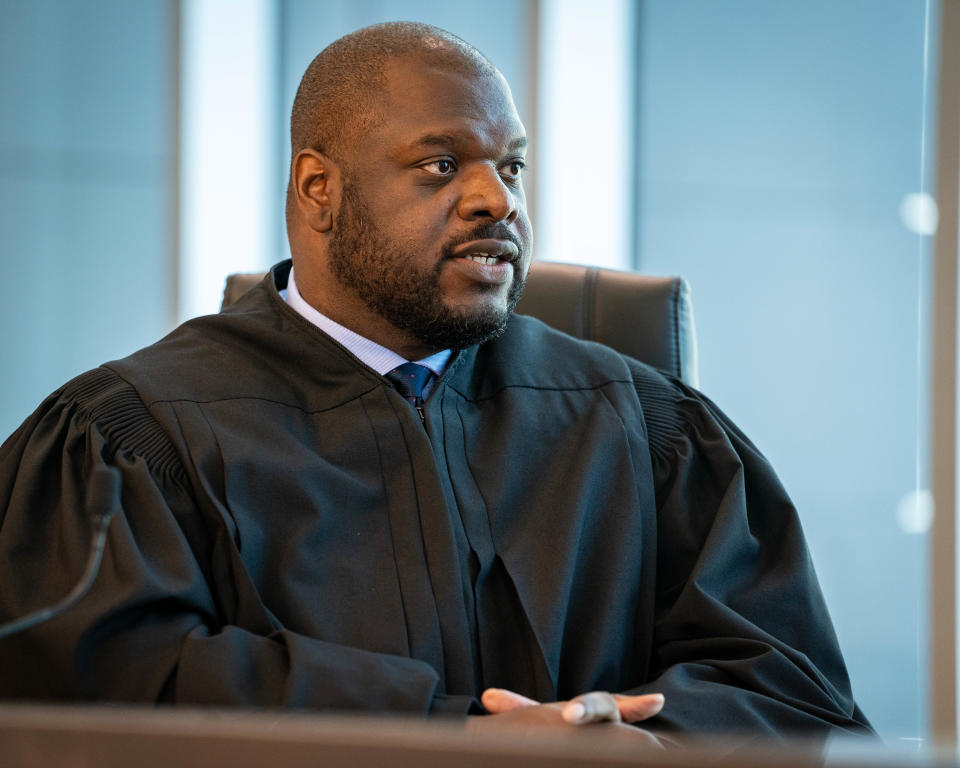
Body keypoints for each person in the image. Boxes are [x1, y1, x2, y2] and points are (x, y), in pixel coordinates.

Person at [0, 22, 872, 743]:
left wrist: (637, 745)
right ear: (319, 190)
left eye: (513, 166)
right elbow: (95, 694)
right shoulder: (130, 437)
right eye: (441, 164)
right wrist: (443, 736)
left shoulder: (643, 424)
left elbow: (789, 692)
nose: (498, 200)